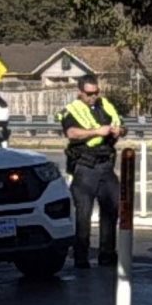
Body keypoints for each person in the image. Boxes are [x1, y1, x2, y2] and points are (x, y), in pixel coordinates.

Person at [58, 75, 124, 268]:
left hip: (106, 164)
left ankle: (107, 254)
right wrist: (97, 132)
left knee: (111, 209)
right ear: (80, 92)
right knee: (84, 213)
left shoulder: (106, 106)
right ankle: (81, 256)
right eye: (89, 94)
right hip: (85, 166)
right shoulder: (72, 110)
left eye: (96, 93)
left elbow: (122, 125)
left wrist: (120, 131)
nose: (93, 97)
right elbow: (71, 133)